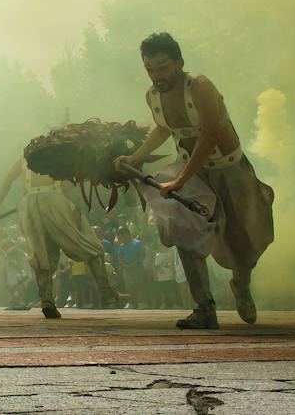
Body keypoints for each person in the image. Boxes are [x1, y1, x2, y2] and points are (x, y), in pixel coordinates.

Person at [115, 31, 275, 329]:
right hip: (193, 173)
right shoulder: (153, 95)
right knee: (182, 228)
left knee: (243, 243)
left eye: (162, 67)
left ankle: (241, 284)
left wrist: (178, 181)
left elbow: (210, 134)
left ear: (179, 63)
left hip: (230, 171)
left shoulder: (200, 86)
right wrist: (135, 158)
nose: (156, 75)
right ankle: (205, 308)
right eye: (149, 68)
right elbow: (163, 129)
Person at [0, 154, 122, 319]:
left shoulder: (25, 156)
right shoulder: (61, 153)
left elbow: (7, 181)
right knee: (92, 246)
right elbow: (67, 186)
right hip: (54, 200)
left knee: (41, 253)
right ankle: (105, 291)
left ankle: (47, 300)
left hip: (29, 204)